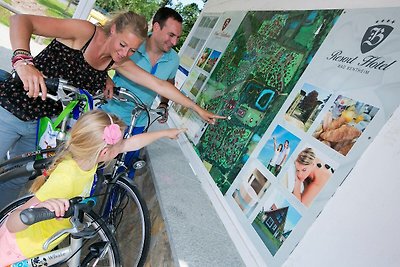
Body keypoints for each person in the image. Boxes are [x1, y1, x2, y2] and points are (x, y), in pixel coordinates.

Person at [0, 11, 223, 209]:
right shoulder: (85, 32)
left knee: (17, 179)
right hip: (13, 106)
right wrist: (23, 62)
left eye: (132, 50)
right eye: (122, 45)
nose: (125, 53)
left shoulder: (116, 62)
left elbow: (160, 85)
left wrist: (196, 108)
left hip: (43, 122)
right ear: (113, 30)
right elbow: (21, 20)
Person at [0, 110, 186, 265]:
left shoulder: (88, 161)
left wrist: (165, 133)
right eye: (119, 145)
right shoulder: (67, 176)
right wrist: (45, 206)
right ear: (105, 152)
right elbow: (13, 221)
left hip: (38, 245)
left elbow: (131, 143)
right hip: (17, 249)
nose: (123, 147)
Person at [102, 7, 183, 178]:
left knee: (124, 170)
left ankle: (112, 203)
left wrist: (163, 103)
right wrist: (105, 78)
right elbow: (104, 59)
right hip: (111, 113)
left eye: (177, 37)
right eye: (171, 35)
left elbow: (168, 82)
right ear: (156, 27)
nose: (174, 42)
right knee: (98, 160)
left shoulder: (173, 59)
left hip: (139, 120)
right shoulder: (133, 44)